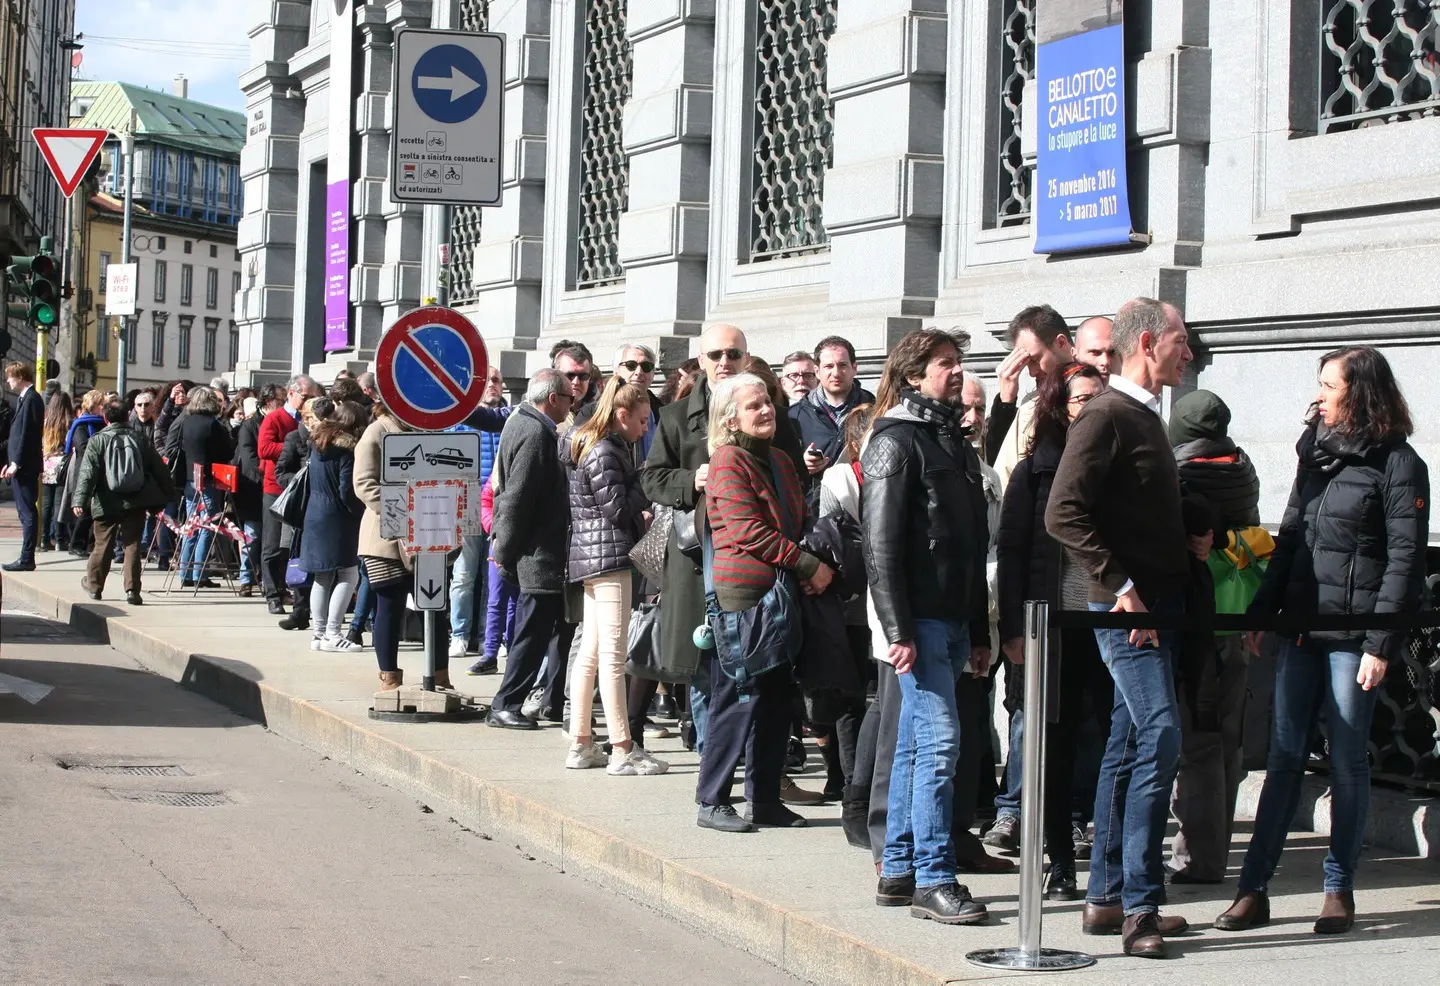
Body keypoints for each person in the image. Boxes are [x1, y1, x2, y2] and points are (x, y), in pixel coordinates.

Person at [1217, 347, 1429, 937]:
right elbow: (1289, 537)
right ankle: (1252, 889)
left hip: (1353, 637)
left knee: (1346, 759)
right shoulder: (1316, 452)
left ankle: (1338, 889)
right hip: (1303, 629)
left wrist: (1380, 644)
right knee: (1284, 756)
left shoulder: (1399, 464)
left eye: (1328, 385)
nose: (1318, 396)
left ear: (1358, 394)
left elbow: (1405, 561)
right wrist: (1263, 610)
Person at [1045, 297, 1196, 957]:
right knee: (1159, 735)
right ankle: (1141, 907)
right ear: (1148, 344)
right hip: (1127, 614)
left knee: (1129, 744)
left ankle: (1107, 898)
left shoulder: (1140, 415)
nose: (1188, 354)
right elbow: (1063, 512)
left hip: (1156, 611)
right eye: (1181, 342)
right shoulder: (1106, 413)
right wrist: (1123, 587)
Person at [862, 328, 996, 926]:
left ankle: (898, 867)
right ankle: (934, 878)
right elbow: (881, 544)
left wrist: (979, 629)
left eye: (957, 362)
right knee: (940, 745)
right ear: (914, 374)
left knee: (921, 744)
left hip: (952, 616)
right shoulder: (896, 441)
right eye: (944, 363)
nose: (954, 372)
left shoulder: (953, 442)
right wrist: (898, 629)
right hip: (919, 620)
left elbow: (971, 543)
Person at [642, 325, 805, 746]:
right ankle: (713, 764)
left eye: (733, 354)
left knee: (757, 664)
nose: (723, 363)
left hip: (757, 566)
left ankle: (754, 768)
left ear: (746, 359)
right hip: (698, 558)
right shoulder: (678, 416)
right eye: (714, 355)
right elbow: (652, 478)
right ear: (700, 361)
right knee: (704, 666)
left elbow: (794, 479)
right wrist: (691, 480)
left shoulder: (771, 413)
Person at [994, 363, 1114, 901]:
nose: (1087, 407)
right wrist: (1016, 628)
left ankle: (1108, 856)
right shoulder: (1033, 471)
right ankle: (1058, 860)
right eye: (1077, 399)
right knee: (1056, 741)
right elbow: (1013, 550)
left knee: (1109, 736)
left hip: (1109, 619)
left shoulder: (1118, 464)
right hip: (1052, 625)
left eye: (1096, 397)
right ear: (1057, 407)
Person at [695, 373, 831, 831]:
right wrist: (807, 565)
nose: (767, 411)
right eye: (754, 406)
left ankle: (766, 800)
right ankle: (712, 800)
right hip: (744, 597)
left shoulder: (779, 460)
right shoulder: (727, 461)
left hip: (781, 592)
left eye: (768, 403)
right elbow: (746, 532)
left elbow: (799, 519)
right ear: (730, 418)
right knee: (737, 698)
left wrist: (806, 564)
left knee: (776, 701)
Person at [1165, 389, 1261, 885]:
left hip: (1191, 620)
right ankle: (1214, 853)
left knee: (1195, 744)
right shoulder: (1243, 468)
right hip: (1234, 615)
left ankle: (1196, 859)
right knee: (1227, 743)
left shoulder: (1178, 472)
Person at [561, 375, 668, 775]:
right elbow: (619, 510)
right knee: (612, 654)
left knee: (591, 652)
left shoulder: (593, 445)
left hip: (592, 557)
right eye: (641, 421)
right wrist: (642, 484)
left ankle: (581, 741)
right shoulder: (606, 451)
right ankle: (622, 746)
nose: (645, 428)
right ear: (621, 415)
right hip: (609, 558)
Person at [486, 369, 577, 729]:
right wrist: (504, 551)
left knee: (553, 631)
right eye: (569, 398)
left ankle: (551, 701)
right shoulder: (535, 432)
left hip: (543, 556)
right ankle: (505, 703)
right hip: (537, 557)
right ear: (553, 399)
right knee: (530, 633)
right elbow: (516, 499)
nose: (573, 404)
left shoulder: (521, 421)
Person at [354, 401, 449, 689]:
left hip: (428, 533)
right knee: (390, 606)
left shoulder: (432, 432)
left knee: (433, 608)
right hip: (385, 539)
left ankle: (440, 677)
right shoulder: (377, 431)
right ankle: (389, 678)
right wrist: (402, 510)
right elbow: (364, 483)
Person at [818, 403, 880, 847]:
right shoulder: (839, 478)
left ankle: (862, 785)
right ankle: (846, 785)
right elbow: (827, 535)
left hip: (881, 602)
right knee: (851, 699)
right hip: (852, 601)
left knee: (871, 697)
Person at [989, 312, 1114, 486]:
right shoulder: (1030, 409)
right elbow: (1002, 478)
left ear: (1061, 343)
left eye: (1034, 359)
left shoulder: (1122, 402)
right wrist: (1005, 403)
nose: (1031, 372)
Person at [72, 400, 176, 605]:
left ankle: (94, 585)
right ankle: (132, 590)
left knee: (103, 544)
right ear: (128, 417)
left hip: (105, 500)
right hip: (135, 500)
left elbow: (87, 474)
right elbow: (158, 469)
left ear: (105, 418)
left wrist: (79, 500)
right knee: (132, 545)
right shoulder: (140, 439)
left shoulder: (97, 440)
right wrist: (168, 494)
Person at [301, 401, 366, 652]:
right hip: (338, 517)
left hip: (315, 512)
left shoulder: (317, 443)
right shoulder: (346, 450)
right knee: (349, 573)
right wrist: (359, 511)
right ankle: (334, 632)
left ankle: (318, 634)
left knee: (322, 576)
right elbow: (346, 491)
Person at [789, 336, 875, 512]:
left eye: (842, 365)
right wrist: (801, 464)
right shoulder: (794, 416)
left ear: (854, 368)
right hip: (815, 515)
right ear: (817, 371)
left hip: (864, 509)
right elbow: (782, 472)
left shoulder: (876, 409)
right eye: (828, 366)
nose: (836, 373)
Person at [259, 375, 320, 613]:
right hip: (277, 489)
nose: (308, 402)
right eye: (305, 397)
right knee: (273, 544)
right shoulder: (275, 419)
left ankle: (293, 591)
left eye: (312, 397)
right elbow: (263, 448)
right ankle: (272, 593)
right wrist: (291, 446)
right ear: (291, 394)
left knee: (292, 546)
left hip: (304, 491)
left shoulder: (312, 420)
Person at [177, 386, 235, 588]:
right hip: (209, 479)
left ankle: (184, 572)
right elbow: (227, 451)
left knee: (191, 526)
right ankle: (199, 573)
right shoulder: (213, 424)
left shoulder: (187, 422)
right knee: (207, 526)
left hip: (190, 478)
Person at [2, 361, 45, 571]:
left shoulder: (31, 399)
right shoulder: (24, 399)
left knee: (27, 512)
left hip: (25, 466)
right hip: (20, 465)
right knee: (24, 512)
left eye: (10, 376)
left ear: (19, 376)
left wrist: (16, 463)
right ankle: (26, 557)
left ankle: (27, 558)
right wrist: (9, 462)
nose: (7, 380)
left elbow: (28, 434)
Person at [61, 390, 107, 559]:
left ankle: (91, 544)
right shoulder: (81, 424)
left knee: (96, 510)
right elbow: (83, 446)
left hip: (101, 471)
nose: (104, 407)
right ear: (93, 405)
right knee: (85, 510)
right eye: (101, 404)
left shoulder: (103, 423)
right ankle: (76, 543)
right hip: (85, 471)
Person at [232, 390, 266, 596]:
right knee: (252, 536)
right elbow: (248, 455)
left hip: (266, 487)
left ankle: (263, 579)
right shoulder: (248, 427)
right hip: (252, 487)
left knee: (265, 539)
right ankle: (247, 579)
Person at [39, 390, 74, 552]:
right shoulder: (69, 422)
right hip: (63, 467)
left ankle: (44, 539)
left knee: (46, 505)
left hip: (47, 466)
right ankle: (60, 539)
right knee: (60, 505)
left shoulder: (46, 422)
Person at [551, 340, 596, 418]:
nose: (576, 382)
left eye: (583, 376)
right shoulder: (542, 409)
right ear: (555, 374)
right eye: (570, 375)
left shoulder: (601, 410)